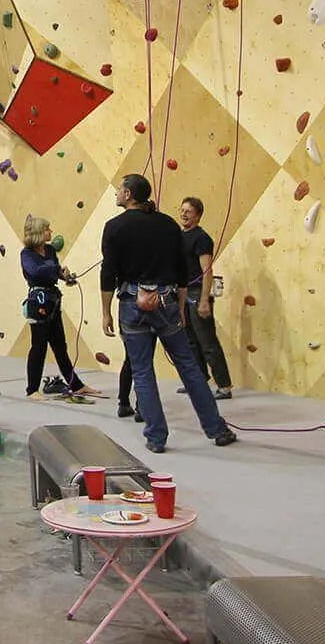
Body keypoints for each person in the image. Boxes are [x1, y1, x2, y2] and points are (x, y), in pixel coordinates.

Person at [100, 174, 235, 455]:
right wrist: (183, 306)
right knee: (188, 365)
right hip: (168, 302)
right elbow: (181, 271)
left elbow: (108, 273)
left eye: (119, 189)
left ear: (128, 194)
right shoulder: (168, 224)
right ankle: (217, 429)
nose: (117, 192)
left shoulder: (114, 227)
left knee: (142, 371)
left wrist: (105, 312)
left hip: (132, 303)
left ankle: (156, 437)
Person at [21, 215, 88, 398]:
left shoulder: (49, 250)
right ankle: (32, 389)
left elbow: (54, 269)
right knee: (38, 346)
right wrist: (54, 268)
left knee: (60, 345)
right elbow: (35, 271)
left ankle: (75, 384)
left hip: (53, 301)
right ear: (39, 233)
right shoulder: (26, 253)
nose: (51, 231)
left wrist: (65, 277)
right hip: (38, 302)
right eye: (48, 228)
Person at [176, 197, 232, 401]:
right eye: (182, 210)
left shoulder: (202, 239)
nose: (183, 214)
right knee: (190, 341)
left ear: (198, 215)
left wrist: (204, 300)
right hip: (183, 294)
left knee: (207, 342)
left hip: (197, 293)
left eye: (188, 211)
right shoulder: (179, 236)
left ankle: (224, 385)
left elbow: (207, 271)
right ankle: (198, 380)